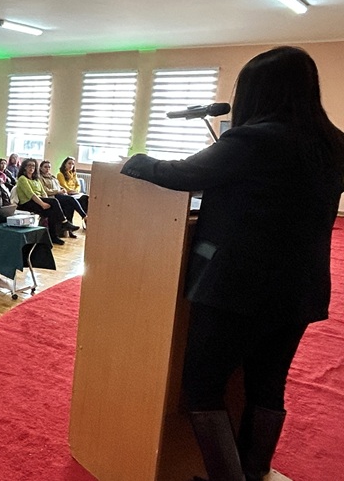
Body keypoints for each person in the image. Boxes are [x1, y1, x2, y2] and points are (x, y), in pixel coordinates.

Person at [120, 46, 344, 481]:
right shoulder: (334, 143)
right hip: (299, 290)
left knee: (202, 387)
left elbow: (182, 174)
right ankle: (255, 470)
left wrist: (136, 161)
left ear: (257, 92)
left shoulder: (255, 139)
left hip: (237, 289)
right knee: (267, 384)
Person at [15, 158, 78, 245]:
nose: (31, 168)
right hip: (27, 203)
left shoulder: (36, 179)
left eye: (33, 166)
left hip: (38, 200)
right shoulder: (22, 179)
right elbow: (31, 194)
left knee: (52, 210)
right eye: (29, 165)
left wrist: (46, 201)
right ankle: (64, 222)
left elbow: (43, 192)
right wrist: (43, 204)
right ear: (24, 167)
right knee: (54, 202)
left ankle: (54, 236)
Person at [38, 159, 86, 238]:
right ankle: (84, 216)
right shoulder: (40, 178)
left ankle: (69, 229)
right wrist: (58, 191)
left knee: (70, 206)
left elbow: (59, 185)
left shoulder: (52, 176)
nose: (47, 169)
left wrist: (62, 190)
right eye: (45, 167)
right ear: (41, 168)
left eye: (49, 167)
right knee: (71, 200)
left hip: (58, 194)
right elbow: (45, 190)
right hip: (52, 196)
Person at [57, 156, 89, 226]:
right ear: (65, 164)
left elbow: (78, 185)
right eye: (69, 163)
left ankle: (86, 219)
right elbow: (63, 186)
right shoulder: (60, 174)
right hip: (67, 194)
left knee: (85, 198)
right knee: (71, 202)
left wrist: (76, 191)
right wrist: (70, 191)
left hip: (74, 193)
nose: (71, 165)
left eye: (72, 164)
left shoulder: (74, 174)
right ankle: (84, 217)